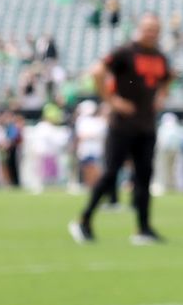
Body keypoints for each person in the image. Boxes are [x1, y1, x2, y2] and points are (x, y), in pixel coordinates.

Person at [71, 14, 173, 244]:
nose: (151, 33)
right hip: (122, 125)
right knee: (110, 173)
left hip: (146, 125)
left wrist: (162, 96)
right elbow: (97, 72)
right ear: (139, 29)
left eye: (155, 29)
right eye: (148, 29)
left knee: (144, 177)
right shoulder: (125, 52)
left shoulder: (160, 56)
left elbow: (168, 77)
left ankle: (143, 228)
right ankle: (84, 220)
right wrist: (112, 101)